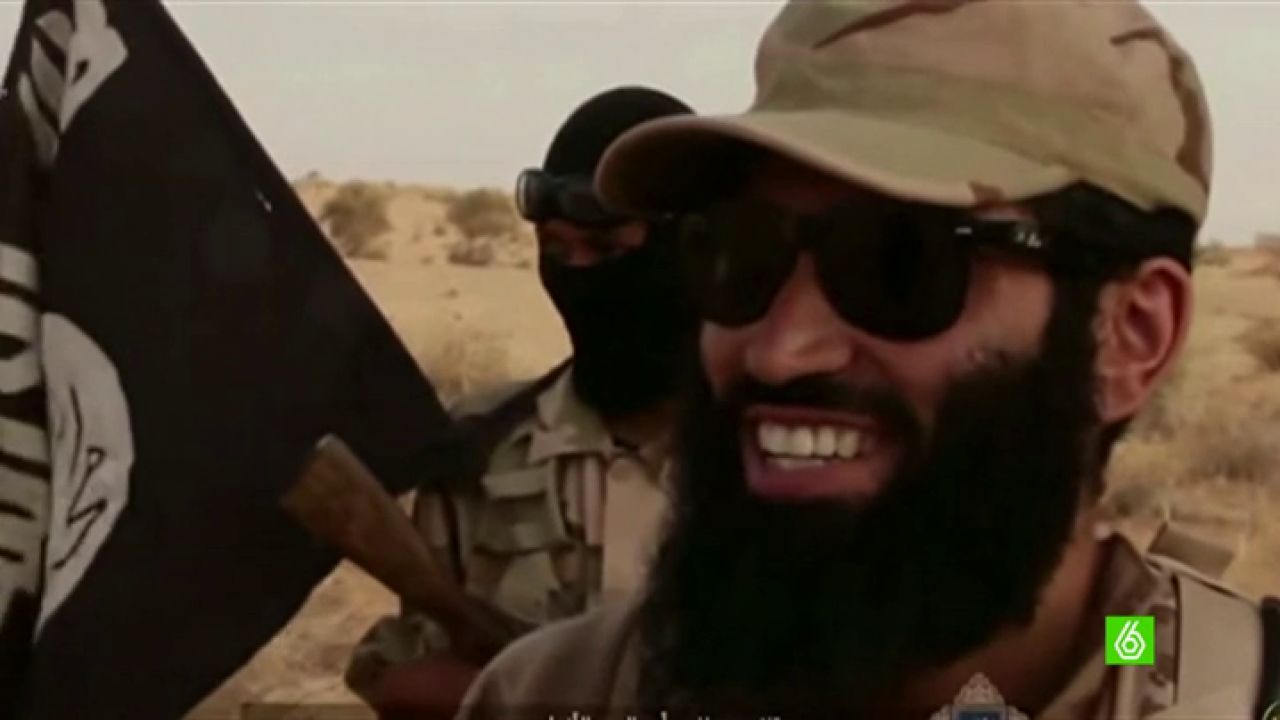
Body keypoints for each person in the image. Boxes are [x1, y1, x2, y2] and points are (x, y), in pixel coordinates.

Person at [456, 2, 1280, 718]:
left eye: (900, 263)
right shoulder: (560, 693)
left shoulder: (1228, 689)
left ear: (1130, 336)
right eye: (741, 252)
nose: (781, 351)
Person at [344, 87, 698, 718]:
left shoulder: (778, 459)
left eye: (607, 251)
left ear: (694, 253)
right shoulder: (480, 455)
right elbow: (406, 675)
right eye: (556, 251)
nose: (578, 275)